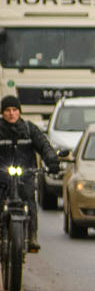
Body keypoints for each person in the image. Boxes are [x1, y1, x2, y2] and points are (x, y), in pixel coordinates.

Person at [0, 96, 58, 252]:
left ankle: (32, 236)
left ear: (19, 112)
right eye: (7, 110)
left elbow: (44, 145)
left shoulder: (28, 129)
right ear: (2, 113)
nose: (11, 114)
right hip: (2, 177)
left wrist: (52, 160)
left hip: (25, 174)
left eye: (14, 110)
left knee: (30, 200)